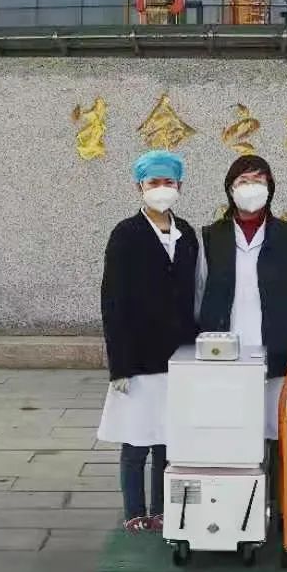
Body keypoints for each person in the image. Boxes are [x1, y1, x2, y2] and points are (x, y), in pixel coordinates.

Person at [196, 155, 287, 502]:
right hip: (223, 356)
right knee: (227, 429)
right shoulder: (211, 237)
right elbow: (199, 293)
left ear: (270, 187)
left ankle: (274, 511)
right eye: (243, 181)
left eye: (258, 180)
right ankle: (229, 507)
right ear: (230, 189)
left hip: (274, 352)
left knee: (273, 432)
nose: (251, 188)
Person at [98, 150, 198, 532]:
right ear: (139, 186)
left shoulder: (186, 233)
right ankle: (134, 512)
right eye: (153, 182)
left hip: (177, 357)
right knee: (136, 440)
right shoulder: (126, 234)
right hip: (138, 358)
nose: (161, 189)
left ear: (180, 186)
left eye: (168, 182)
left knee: (168, 441)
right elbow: (113, 301)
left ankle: (161, 509)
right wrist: (119, 365)